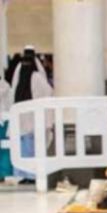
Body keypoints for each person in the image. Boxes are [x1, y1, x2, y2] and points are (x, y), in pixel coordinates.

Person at [10, 46, 53, 182]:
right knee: (24, 148)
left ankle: (30, 175)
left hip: (31, 119)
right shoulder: (29, 75)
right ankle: (25, 175)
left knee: (30, 148)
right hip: (25, 119)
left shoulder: (25, 73)